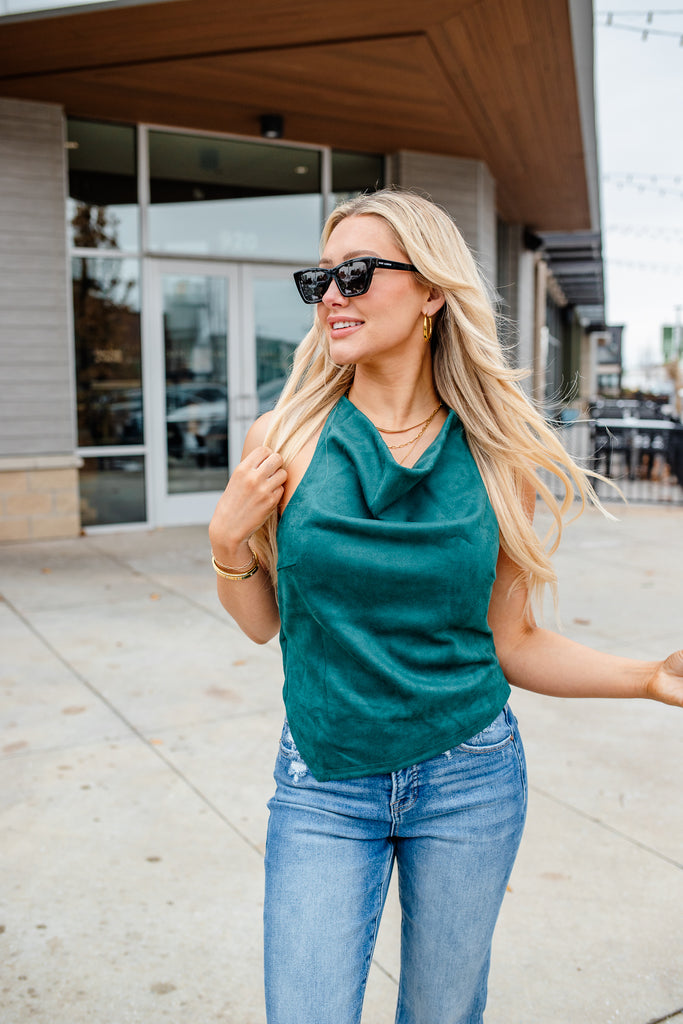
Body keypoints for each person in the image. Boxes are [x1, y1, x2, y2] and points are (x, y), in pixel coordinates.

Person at [208, 188, 683, 1024]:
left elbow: (513, 642)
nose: (331, 296)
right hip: (323, 778)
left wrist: (646, 677)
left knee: (442, 1012)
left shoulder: (500, 455)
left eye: (355, 273)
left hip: (470, 776)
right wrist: (227, 543)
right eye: (318, 278)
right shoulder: (282, 439)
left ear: (431, 290)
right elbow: (259, 625)